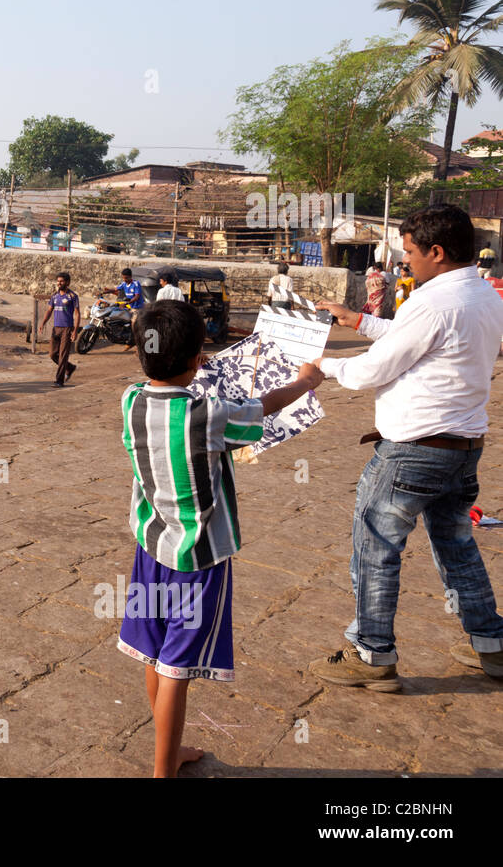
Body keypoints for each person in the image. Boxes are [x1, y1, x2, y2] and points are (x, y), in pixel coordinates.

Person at [119, 299, 321, 777]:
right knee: (178, 668)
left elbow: (178, 391)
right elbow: (263, 405)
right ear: (196, 359)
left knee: (154, 650)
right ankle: (162, 773)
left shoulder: (130, 399)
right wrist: (305, 382)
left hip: (152, 546)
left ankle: (167, 753)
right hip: (199, 557)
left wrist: (191, 369)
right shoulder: (209, 415)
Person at [312, 204, 503, 688]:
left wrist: (324, 366)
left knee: (375, 548)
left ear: (437, 253)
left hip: (414, 451)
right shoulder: (483, 293)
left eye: (412, 253)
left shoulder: (433, 302)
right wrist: (357, 320)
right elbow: (418, 338)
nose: (406, 262)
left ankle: (372, 652)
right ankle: (492, 644)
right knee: (457, 546)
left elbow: (373, 370)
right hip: (462, 447)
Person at [38, 271, 79, 386]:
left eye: (61, 281)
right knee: (52, 354)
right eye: (58, 281)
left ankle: (59, 381)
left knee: (63, 355)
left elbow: (77, 314)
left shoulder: (73, 296)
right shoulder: (55, 296)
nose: (59, 283)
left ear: (67, 282)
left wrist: (75, 330)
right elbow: (49, 310)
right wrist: (43, 323)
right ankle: (69, 367)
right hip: (56, 329)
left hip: (67, 328)